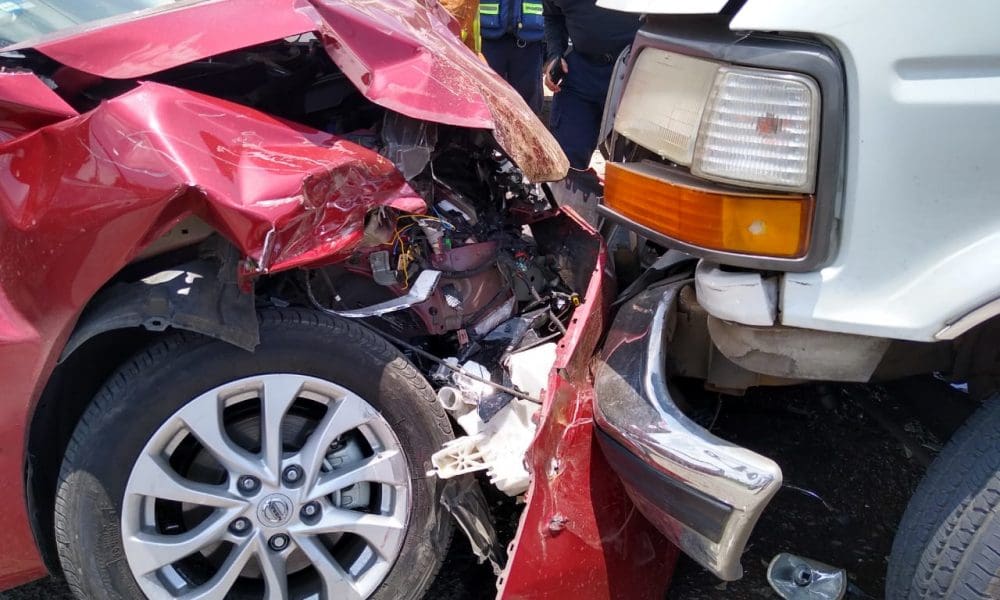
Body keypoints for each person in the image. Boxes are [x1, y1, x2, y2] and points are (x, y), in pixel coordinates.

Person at [543, 1, 640, 170]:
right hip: (581, 71)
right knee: (565, 165)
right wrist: (555, 55)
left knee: (638, 167)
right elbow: (553, 16)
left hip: (636, 72)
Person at [479, 0, 545, 113]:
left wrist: (552, 50)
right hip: (488, 39)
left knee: (526, 106)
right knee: (486, 101)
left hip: (529, 41)